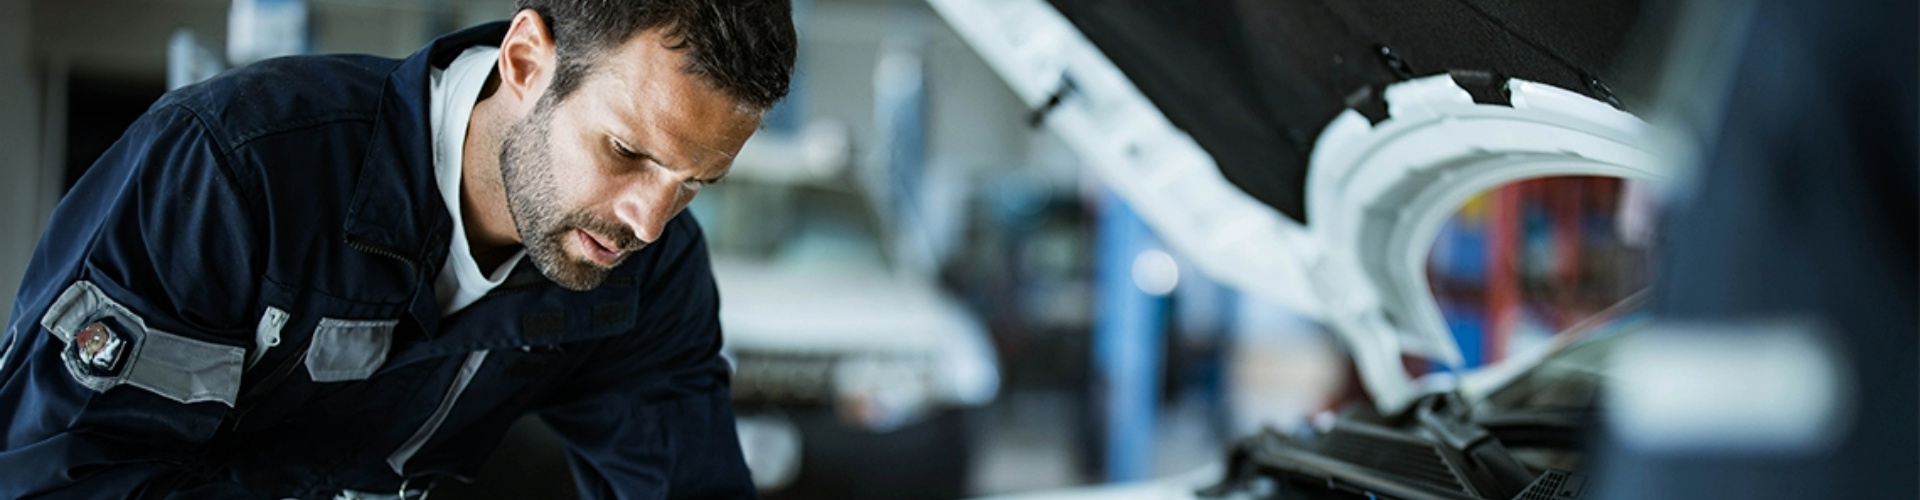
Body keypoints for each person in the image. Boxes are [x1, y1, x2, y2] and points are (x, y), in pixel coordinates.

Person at [0, 0, 795, 497]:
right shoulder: (235, 170)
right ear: (526, 62)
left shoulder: (651, 274)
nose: (651, 221)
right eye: (626, 151)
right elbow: (53, 471)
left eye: (694, 183)